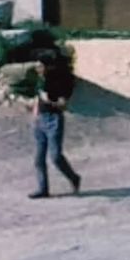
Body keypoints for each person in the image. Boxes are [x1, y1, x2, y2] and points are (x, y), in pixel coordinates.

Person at [29, 48, 82, 199]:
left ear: (49, 66)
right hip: (40, 119)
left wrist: (50, 101)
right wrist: (35, 113)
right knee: (39, 158)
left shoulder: (61, 81)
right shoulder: (41, 79)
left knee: (56, 157)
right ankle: (43, 189)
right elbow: (37, 97)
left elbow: (63, 105)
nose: (37, 68)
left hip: (54, 119)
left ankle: (73, 178)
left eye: (40, 66)